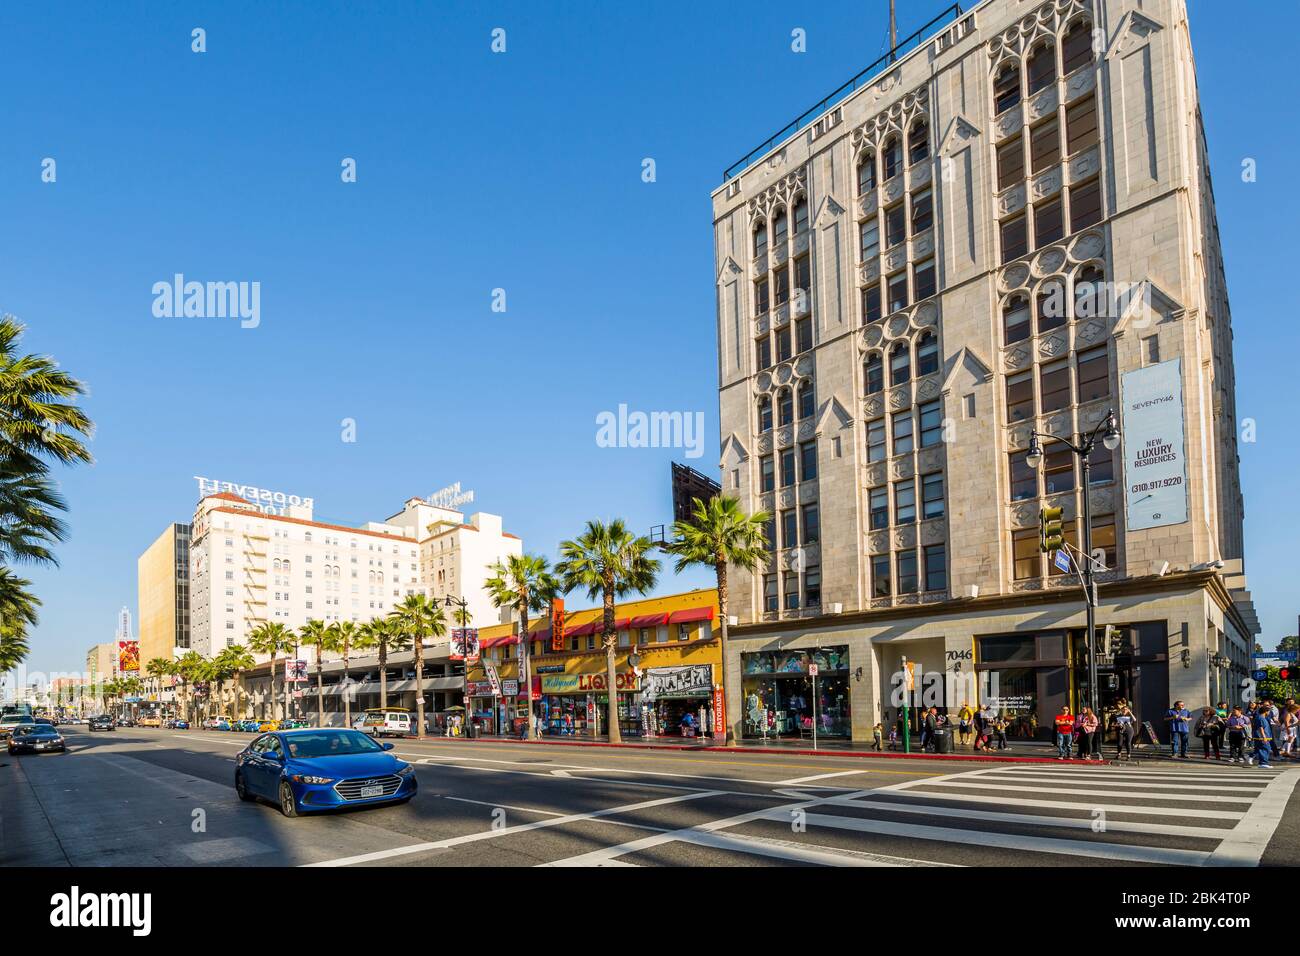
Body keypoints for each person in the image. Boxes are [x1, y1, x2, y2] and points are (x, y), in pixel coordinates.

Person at [1251, 704, 1273, 768]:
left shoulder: (1261, 717)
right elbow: (1260, 728)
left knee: (1261, 749)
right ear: (1266, 711)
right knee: (1265, 749)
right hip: (1261, 737)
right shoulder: (1261, 718)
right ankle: (1263, 763)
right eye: (1269, 711)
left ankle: (1253, 757)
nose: (1269, 713)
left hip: (1262, 737)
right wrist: (1264, 737)